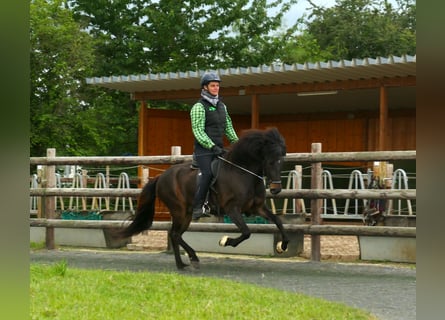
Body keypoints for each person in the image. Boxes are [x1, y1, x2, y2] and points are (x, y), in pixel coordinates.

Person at [190, 72, 239, 220]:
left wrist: (238, 144)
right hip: (204, 150)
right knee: (208, 174)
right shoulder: (198, 107)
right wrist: (211, 146)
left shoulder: (222, 106)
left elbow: (228, 127)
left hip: (218, 148)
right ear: (205, 87)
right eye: (213, 85)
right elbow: (198, 130)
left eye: (217, 85)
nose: (216, 88)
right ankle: (198, 206)